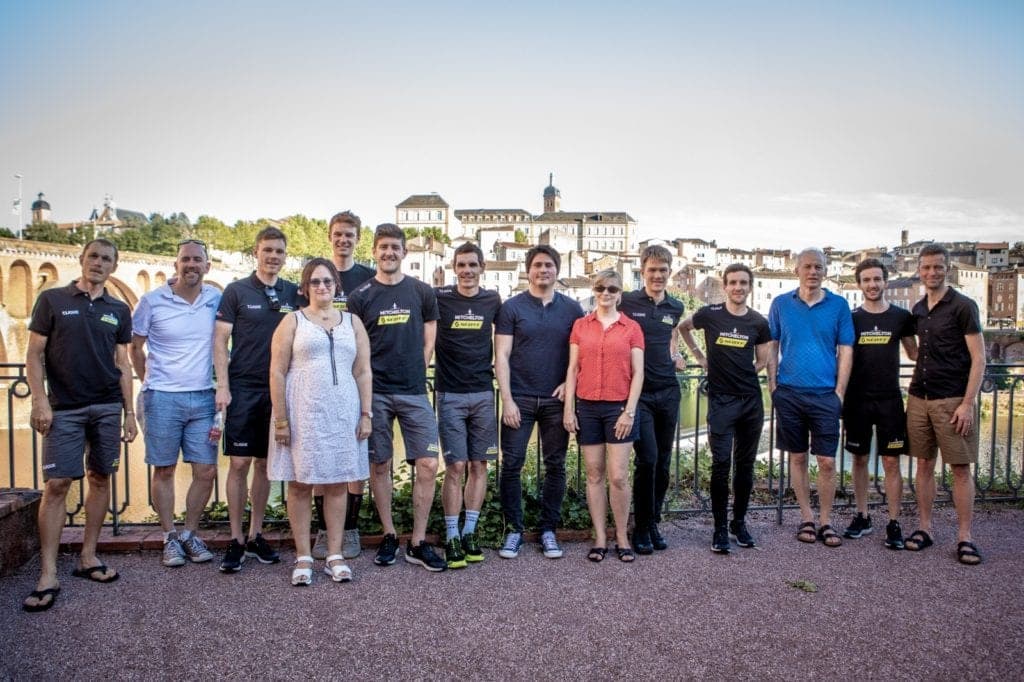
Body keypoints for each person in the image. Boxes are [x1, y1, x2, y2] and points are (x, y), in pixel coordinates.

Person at [22, 239, 137, 612]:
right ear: (82, 260)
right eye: (93, 257)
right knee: (57, 485)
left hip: (106, 407)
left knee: (101, 477)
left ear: (113, 267)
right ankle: (49, 571)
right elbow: (34, 355)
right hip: (64, 408)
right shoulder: (53, 301)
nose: (98, 263)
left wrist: (129, 412)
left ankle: (88, 556)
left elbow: (123, 363)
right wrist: (40, 400)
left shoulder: (118, 309)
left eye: (106, 259)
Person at [347, 223, 446, 572]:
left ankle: (417, 541)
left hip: (414, 391)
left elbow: (429, 338)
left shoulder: (421, 292)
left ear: (405, 252)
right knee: (379, 464)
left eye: (395, 247)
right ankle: (390, 533)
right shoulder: (360, 297)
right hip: (375, 393)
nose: (389, 252)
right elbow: (355, 349)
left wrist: (418, 369)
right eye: (383, 247)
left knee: (429, 464)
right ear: (374, 251)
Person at [269, 258, 373, 585]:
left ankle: (334, 554)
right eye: (315, 282)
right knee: (301, 483)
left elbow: (363, 371)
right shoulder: (292, 321)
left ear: (336, 286)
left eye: (328, 281)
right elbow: (276, 370)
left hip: (343, 413)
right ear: (305, 287)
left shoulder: (352, 322)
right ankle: (303, 557)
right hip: (303, 412)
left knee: (338, 483)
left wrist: (366, 413)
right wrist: (281, 421)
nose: (322, 286)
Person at [130, 239, 221, 568]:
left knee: (206, 470)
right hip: (163, 396)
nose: (191, 265)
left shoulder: (216, 299)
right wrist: (147, 382)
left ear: (207, 267)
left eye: (198, 259)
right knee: (164, 468)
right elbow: (135, 348)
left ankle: (190, 533)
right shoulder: (152, 302)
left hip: (203, 397)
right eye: (186, 259)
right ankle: (169, 536)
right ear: (176, 264)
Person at [214, 226, 298, 572]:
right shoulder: (236, 291)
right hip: (244, 388)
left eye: (279, 251)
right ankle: (235, 539)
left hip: (279, 390)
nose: (273, 257)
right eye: (268, 251)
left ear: (284, 256)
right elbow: (220, 341)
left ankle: (256, 533)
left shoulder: (293, 292)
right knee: (238, 464)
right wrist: (223, 385)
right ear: (256, 253)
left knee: (265, 465)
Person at [495, 244, 584, 560]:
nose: (543, 270)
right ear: (528, 270)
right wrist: (506, 399)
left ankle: (548, 529)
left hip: (556, 401)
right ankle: (515, 530)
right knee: (512, 465)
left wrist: (567, 384)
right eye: (537, 265)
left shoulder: (573, 309)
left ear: (557, 271)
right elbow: (501, 356)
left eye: (548, 265)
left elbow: (581, 355)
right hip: (518, 397)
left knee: (555, 465)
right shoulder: (512, 307)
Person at [679, 264, 771, 553]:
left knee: (745, 466)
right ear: (726, 285)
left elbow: (763, 361)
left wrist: (742, 372)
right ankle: (719, 528)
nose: (738, 287)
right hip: (721, 401)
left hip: (750, 403)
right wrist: (700, 357)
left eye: (743, 283)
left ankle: (739, 522)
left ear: (750, 286)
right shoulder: (711, 314)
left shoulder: (758, 322)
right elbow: (683, 327)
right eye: (733, 282)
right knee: (721, 464)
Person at [905, 244, 986, 564]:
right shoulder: (918, 309)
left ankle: (965, 537)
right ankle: (925, 528)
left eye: (937, 267)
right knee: (924, 465)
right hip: (919, 396)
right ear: (919, 270)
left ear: (947, 268)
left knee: (960, 469)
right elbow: (914, 353)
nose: (931, 273)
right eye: (926, 268)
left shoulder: (963, 306)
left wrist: (968, 403)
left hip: (953, 399)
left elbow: (979, 359)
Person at [768, 247, 853, 547]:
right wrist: (773, 387)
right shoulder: (780, 304)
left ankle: (827, 520)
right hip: (789, 393)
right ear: (797, 271)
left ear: (826, 271)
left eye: (819, 267)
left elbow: (846, 351)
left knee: (827, 462)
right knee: (798, 457)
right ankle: (806, 517)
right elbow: (772, 347)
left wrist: (839, 392)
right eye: (807, 266)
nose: (813, 272)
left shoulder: (839, 305)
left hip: (825, 395)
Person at [308, 211, 376, 562]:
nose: (343, 240)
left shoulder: (368, 276)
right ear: (330, 236)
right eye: (337, 234)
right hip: (319, 384)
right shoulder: (317, 272)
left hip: (353, 381)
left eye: (349, 234)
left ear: (357, 238)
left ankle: (349, 528)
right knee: (321, 459)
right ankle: (324, 530)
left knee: (353, 460)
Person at [564, 270, 644, 563]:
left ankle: (621, 536)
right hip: (587, 407)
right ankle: (599, 537)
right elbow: (572, 370)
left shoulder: (631, 328)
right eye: (600, 288)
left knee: (619, 476)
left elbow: (639, 374)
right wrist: (568, 409)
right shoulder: (580, 326)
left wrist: (629, 412)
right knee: (595, 475)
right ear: (594, 291)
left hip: (618, 408)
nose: (606, 293)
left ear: (620, 293)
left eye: (612, 288)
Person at [841, 258, 917, 549]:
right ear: (859, 284)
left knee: (891, 462)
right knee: (858, 459)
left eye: (877, 279)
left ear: (885, 281)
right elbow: (841, 356)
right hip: (857, 400)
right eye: (867, 280)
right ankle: (862, 515)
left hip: (890, 401)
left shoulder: (901, 317)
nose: (872, 284)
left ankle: (894, 522)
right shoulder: (851, 317)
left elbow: (913, 353)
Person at [434, 243, 502, 568]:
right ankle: (451, 535)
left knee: (479, 466)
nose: (467, 270)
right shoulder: (439, 298)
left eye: (472, 265)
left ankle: (470, 531)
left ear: (482, 267)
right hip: (449, 394)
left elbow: (506, 343)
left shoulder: (493, 300)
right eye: (461, 264)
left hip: (484, 394)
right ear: (453, 267)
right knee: (455, 467)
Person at [619, 244, 686, 553]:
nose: (657, 275)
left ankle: (653, 522)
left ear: (669, 273)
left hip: (669, 391)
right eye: (652, 270)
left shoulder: (676, 307)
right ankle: (641, 526)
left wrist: (677, 354)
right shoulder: (627, 302)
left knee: (662, 464)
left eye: (662, 270)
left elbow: (671, 338)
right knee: (647, 459)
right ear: (642, 271)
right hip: (639, 394)